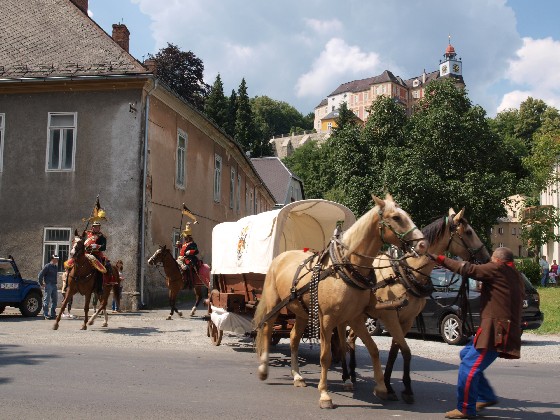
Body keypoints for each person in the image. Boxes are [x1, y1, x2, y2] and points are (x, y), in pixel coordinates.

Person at [429, 247, 524, 419]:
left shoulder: (497, 268)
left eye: (491, 261)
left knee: (468, 368)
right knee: (465, 354)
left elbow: (467, 269)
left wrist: (439, 258)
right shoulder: (513, 274)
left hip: (495, 331)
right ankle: (486, 396)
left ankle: (465, 408)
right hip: (498, 328)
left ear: (496, 260)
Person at [84, 220, 110, 296]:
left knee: (99, 269)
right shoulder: (87, 234)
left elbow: (104, 247)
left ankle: (99, 288)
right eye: (95, 227)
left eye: (98, 227)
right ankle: (68, 284)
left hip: (96, 254)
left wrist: (97, 246)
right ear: (92, 227)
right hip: (86, 253)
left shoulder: (102, 236)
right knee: (74, 263)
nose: (96, 228)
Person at [38, 255, 59, 319]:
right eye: (56, 259)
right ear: (52, 259)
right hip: (48, 284)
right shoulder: (47, 266)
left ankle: (53, 314)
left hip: (54, 285)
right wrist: (41, 283)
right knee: (46, 300)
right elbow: (40, 275)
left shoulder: (55, 267)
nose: (57, 260)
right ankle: (45, 314)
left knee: (55, 300)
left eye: (57, 259)